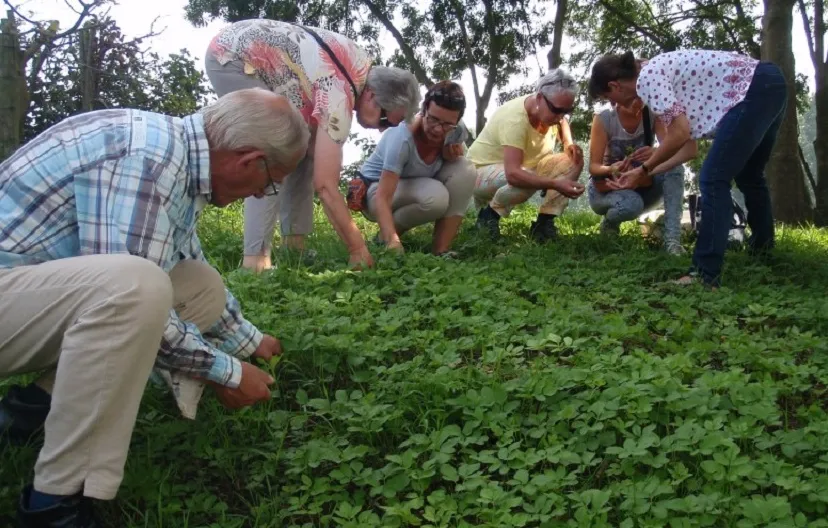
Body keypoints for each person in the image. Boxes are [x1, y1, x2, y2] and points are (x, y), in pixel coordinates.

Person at [0, 88, 309, 527]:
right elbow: (130, 299)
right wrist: (227, 372)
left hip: (22, 297)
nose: (262, 195)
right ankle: (55, 504)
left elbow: (187, 263)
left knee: (196, 284)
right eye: (271, 182)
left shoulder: (173, 155)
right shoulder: (148, 160)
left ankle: (32, 409)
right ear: (248, 160)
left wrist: (250, 341)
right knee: (136, 288)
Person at [205, 18, 421, 272]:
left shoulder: (362, 67)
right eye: (385, 120)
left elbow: (317, 158)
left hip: (245, 49)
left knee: (303, 149)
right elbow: (326, 185)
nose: (382, 130)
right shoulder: (341, 92)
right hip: (233, 58)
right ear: (372, 96)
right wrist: (357, 248)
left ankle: (294, 245)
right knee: (271, 151)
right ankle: (255, 261)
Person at [588, 49, 787, 287]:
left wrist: (643, 169)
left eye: (608, 98)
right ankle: (762, 251)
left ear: (615, 85)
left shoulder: (648, 79)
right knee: (750, 174)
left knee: (713, 179)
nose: (612, 104)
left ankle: (705, 274)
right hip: (770, 81)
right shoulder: (656, 70)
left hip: (750, 90)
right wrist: (648, 170)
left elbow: (680, 134)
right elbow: (688, 148)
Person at [357, 81, 476, 256]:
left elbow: (455, 159)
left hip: (416, 186)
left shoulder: (457, 131)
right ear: (423, 110)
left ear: (456, 122)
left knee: (465, 169)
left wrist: (448, 153)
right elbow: (383, 196)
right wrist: (393, 241)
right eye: (433, 119)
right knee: (436, 197)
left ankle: (441, 250)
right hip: (376, 193)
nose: (437, 129)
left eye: (446, 124)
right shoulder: (402, 136)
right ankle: (387, 237)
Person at [468, 68, 586, 242]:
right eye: (557, 110)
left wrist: (569, 144)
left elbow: (562, 120)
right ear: (539, 98)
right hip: (477, 173)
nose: (561, 117)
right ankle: (488, 219)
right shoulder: (515, 120)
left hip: (519, 170)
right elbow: (514, 175)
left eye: (567, 111)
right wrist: (555, 183)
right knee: (527, 177)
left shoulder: (551, 112)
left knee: (571, 160)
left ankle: (544, 224)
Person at [586, 97, 697, 255]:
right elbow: (594, 168)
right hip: (607, 188)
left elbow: (672, 149)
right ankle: (610, 222)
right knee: (632, 204)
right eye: (631, 98)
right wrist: (612, 168)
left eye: (640, 97)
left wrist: (656, 152)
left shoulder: (653, 114)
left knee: (675, 167)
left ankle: (672, 241)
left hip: (642, 183)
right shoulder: (604, 118)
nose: (636, 103)